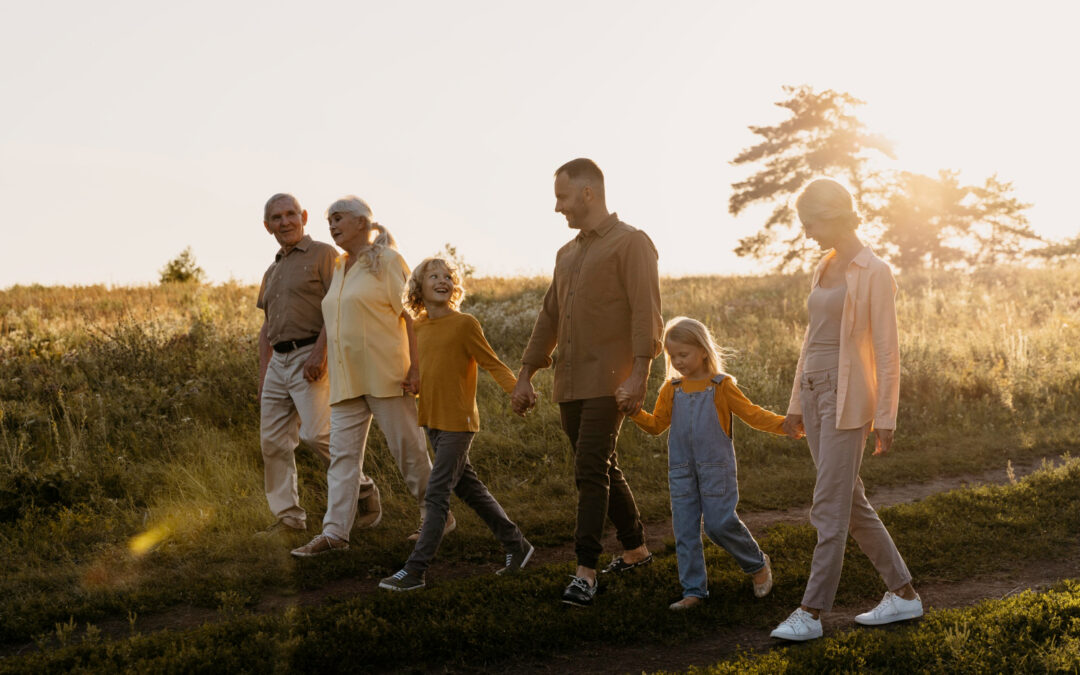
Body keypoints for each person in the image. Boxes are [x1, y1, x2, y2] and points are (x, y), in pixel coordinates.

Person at [770, 178, 921, 642]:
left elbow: (887, 350)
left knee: (828, 506)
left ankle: (811, 612)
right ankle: (904, 595)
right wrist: (796, 403)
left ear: (832, 215)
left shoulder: (875, 270)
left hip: (846, 396)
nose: (807, 231)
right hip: (814, 392)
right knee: (848, 502)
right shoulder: (822, 265)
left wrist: (887, 417)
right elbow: (810, 340)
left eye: (809, 221)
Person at [512, 158, 663, 607]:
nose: (558, 207)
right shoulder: (567, 254)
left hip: (611, 381)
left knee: (589, 470)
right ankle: (635, 549)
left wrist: (640, 375)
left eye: (562, 197)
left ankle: (585, 571)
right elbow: (549, 317)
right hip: (570, 382)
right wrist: (525, 374)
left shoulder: (632, 243)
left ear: (588, 194)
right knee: (601, 465)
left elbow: (646, 313)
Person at [291, 196, 443, 557]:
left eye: (338, 218)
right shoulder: (342, 266)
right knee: (342, 458)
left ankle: (437, 515)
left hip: (389, 374)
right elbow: (335, 319)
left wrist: (417, 367)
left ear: (362, 222)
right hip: (347, 379)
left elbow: (412, 316)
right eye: (329, 220)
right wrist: (322, 355)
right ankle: (334, 534)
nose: (331, 225)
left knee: (408, 451)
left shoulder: (387, 261)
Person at [379, 258, 533, 591]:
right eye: (434, 276)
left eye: (448, 276)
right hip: (431, 421)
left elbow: (491, 363)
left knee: (436, 495)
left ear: (454, 286)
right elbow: (424, 367)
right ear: (419, 286)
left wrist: (517, 390)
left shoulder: (465, 324)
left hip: (458, 423)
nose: (443, 280)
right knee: (469, 489)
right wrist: (413, 382)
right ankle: (517, 545)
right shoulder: (418, 327)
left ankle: (415, 570)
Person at [631, 317, 800, 610]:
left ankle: (757, 564)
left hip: (716, 469)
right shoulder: (671, 389)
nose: (678, 361)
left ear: (703, 350)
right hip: (681, 471)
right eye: (673, 356)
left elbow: (752, 413)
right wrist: (633, 411)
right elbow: (657, 425)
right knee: (684, 530)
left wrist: (784, 425)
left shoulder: (721, 386)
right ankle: (693, 590)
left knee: (719, 524)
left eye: (684, 354)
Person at [255, 193, 336, 535]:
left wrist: (320, 353)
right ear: (267, 226)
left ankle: (361, 488)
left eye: (291, 214)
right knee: (272, 442)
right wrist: (263, 378)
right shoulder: (272, 270)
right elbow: (265, 328)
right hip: (278, 361)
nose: (285, 222)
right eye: (277, 217)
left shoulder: (324, 255)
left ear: (304, 216)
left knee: (317, 435)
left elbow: (338, 309)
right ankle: (289, 518)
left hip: (311, 353)